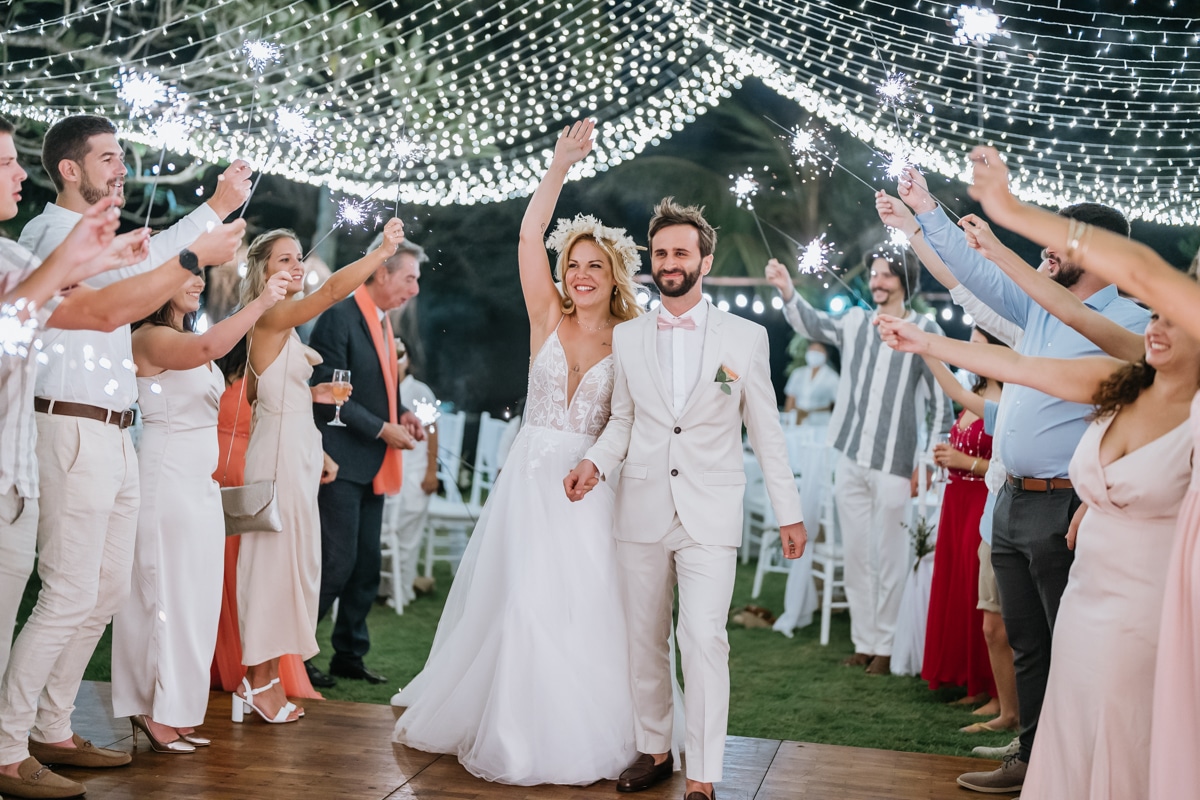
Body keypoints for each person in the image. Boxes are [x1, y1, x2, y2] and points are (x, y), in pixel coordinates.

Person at [0, 111, 251, 799]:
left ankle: (52, 727)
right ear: (69, 169)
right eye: (107, 157)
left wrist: (217, 206)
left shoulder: (91, 238)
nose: (121, 168)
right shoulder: (48, 234)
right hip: (69, 427)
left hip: (116, 433)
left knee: (106, 592)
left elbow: (146, 259)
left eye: (121, 156)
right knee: (67, 593)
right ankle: (8, 744)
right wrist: (201, 237)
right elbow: (117, 295)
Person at [393, 120, 645, 785]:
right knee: (524, 600)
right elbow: (530, 234)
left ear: (614, 274)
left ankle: (582, 728)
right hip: (531, 480)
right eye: (574, 265)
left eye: (595, 265)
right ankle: (513, 730)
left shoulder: (633, 338)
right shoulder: (547, 316)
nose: (581, 275)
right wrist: (560, 165)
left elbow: (632, 420)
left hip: (590, 489)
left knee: (586, 607)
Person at [897, 164, 1150, 795]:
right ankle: (1033, 759)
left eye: (1061, 241)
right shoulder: (1036, 305)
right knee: (1028, 644)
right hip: (1011, 499)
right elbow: (972, 273)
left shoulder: (1133, 323)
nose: (1047, 249)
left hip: (1069, 507)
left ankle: (1084, 768)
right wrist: (927, 212)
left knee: (1075, 645)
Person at [877, 306, 1197, 800]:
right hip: (1088, 585)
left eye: (1173, 320)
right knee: (1067, 696)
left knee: (1124, 718)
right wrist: (925, 342)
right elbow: (1021, 367)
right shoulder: (1119, 381)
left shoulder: (1191, 414)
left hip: (1144, 593)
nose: (1155, 328)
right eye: (1154, 316)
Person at [964, 144, 1200, 800]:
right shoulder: (1141, 364)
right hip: (1093, 571)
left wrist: (1010, 209)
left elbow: (1130, 271)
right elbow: (1058, 330)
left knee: (1137, 721)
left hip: (1154, 582)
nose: (1161, 321)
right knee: (1077, 703)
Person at [566, 196, 805, 800]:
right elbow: (623, 420)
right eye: (661, 252)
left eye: (680, 252)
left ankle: (703, 776)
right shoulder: (629, 337)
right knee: (644, 639)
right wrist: (595, 462)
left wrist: (790, 513)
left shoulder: (745, 338)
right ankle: (655, 751)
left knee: (703, 639)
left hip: (711, 513)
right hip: (640, 508)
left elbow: (767, 432)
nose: (669, 262)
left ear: (705, 260)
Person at [108, 264, 290, 754]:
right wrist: (261, 302)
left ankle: (178, 711)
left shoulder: (189, 338)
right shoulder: (148, 338)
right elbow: (210, 348)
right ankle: (152, 708)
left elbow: (214, 354)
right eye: (187, 275)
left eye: (199, 275)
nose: (199, 283)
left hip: (199, 487)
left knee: (196, 603)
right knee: (164, 598)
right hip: (165, 481)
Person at [232, 219, 406, 725]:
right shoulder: (269, 315)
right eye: (284, 259)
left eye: (297, 257)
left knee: (290, 568)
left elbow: (261, 393)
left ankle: (265, 679)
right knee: (273, 569)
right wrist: (381, 252)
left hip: (295, 453)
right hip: (279, 458)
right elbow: (331, 291)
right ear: (262, 270)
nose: (296, 266)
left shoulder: (279, 325)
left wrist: (310, 396)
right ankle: (257, 682)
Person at [765, 247, 953, 675]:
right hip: (849, 456)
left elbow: (941, 405)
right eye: (874, 274)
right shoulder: (854, 322)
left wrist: (928, 462)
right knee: (856, 555)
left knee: (890, 557)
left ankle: (888, 645)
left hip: (895, 463)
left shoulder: (925, 330)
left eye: (887, 275)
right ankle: (865, 641)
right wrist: (788, 289)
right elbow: (812, 322)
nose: (877, 282)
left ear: (905, 280)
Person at [305, 236, 425, 688]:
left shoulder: (381, 321)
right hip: (338, 461)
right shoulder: (339, 317)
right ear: (381, 272)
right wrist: (381, 429)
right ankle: (296, 653)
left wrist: (402, 414)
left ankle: (349, 654)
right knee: (334, 563)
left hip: (372, 463)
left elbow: (380, 387)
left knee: (365, 567)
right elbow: (328, 391)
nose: (414, 289)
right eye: (409, 278)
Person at [208, 341, 327, 701]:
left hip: (242, 473)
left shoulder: (249, 380)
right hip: (234, 474)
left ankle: (244, 668)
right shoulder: (237, 373)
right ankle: (238, 671)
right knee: (238, 573)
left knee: (242, 571)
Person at [916, 329, 1007, 728]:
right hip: (956, 499)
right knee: (957, 585)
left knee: (977, 589)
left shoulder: (1005, 398)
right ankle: (971, 680)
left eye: (976, 343)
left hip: (981, 500)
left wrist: (964, 461)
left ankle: (993, 686)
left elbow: (1006, 464)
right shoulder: (975, 393)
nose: (969, 349)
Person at [385, 339, 440, 610]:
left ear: (408, 360)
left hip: (415, 471)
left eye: (401, 354)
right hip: (389, 472)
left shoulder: (420, 391)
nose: (396, 359)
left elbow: (432, 430)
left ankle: (403, 590)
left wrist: (431, 471)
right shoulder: (382, 387)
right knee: (388, 530)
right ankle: (384, 587)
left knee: (408, 535)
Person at [782, 341, 838, 429]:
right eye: (811, 350)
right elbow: (790, 399)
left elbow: (838, 403)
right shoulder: (798, 373)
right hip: (798, 419)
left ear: (826, 354)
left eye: (818, 350)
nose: (814, 353)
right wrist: (787, 420)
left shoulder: (832, 377)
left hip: (821, 422)